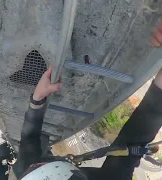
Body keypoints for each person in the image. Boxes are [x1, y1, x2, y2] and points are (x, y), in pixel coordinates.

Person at [11, 22, 162, 180]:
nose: (37, 163)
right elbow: (144, 122)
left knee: (30, 154)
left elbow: (29, 139)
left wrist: (38, 99)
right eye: (40, 164)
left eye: (38, 165)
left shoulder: (28, 169)